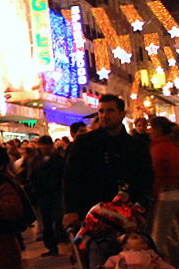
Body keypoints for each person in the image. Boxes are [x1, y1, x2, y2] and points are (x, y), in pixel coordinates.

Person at [62, 95, 153, 230]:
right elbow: (71, 177)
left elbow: (146, 178)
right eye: (101, 111)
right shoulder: (84, 143)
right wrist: (71, 209)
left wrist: (141, 206)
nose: (104, 116)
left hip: (126, 213)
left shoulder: (136, 146)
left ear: (122, 114)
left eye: (110, 111)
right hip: (91, 212)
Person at [149, 116, 179, 269]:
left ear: (158, 130)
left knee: (158, 239)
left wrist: (153, 196)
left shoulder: (158, 148)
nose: (149, 131)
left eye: (151, 128)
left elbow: (157, 175)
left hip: (167, 196)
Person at [29, 136, 65, 257]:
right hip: (44, 195)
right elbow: (31, 177)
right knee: (47, 222)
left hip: (55, 194)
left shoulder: (58, 160)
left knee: (57, 220)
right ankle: (52, 246)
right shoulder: (36, 161)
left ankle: (58, 243)